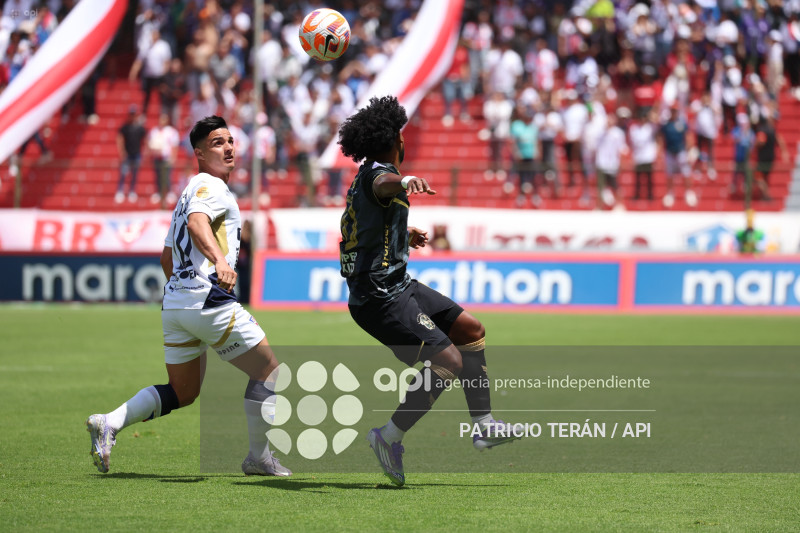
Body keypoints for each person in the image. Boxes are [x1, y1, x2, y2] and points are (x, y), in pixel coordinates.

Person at [86, 116, 291, 478]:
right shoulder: (210, 187)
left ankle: (110, 421)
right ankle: (259, 457)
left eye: (229, 141)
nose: (228, 147)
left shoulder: (186, 192)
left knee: (183, 391)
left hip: (177, 306)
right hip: (208, 300)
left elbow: (167, 258)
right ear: (198, 153)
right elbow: (198, 224)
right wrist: (217, 264)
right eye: (217, 143)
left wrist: (185, 292)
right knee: (270, 372)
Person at [337, 96, 517, 487]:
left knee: (470, 330)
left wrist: (404, 233)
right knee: (448, 361)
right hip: (378, 297)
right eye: (401, 137)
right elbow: (385, 186)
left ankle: (484, 425)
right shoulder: (379, 175)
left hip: (397, 284)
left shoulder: (364, 175)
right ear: (394, 141)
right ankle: (388, 437)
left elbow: (369, 221)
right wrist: (404, 180)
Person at [115, 106, 147, 204]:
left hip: (136, 154)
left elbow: (145, 140)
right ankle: (120, 190)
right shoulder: (125, 127)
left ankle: (132, 191)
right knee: (123, 173)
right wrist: (122, 151)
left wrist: (144, 152)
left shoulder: (140, 128)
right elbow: (120, 138)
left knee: (135, 174)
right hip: (127, 154)